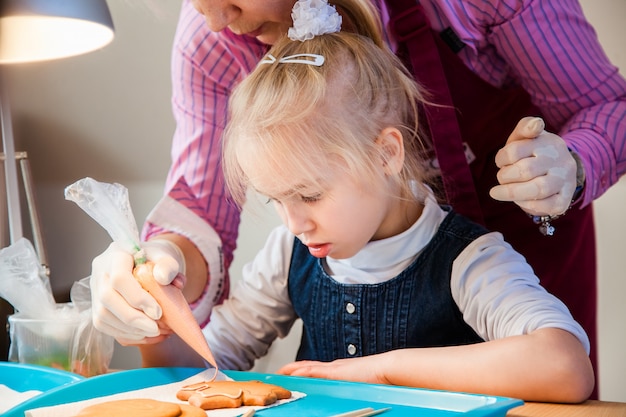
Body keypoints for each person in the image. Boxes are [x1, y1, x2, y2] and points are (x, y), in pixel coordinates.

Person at [89, 0, 625, 397]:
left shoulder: (471, 261)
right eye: (277, 199)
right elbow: (197, 363)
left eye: (309, 193)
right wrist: (158, 312)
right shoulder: (288, 253)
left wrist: (378, 370)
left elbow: (563, 367)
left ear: (388, 154)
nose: (294, 222)